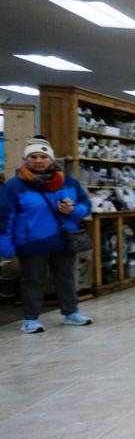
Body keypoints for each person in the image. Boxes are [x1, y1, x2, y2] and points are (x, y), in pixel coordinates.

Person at [0, 137, 93, 333]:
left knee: (66, 277)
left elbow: (86, 206)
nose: (39, 160)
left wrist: (73, 210)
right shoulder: (14, 186)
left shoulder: (68, 182)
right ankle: (31, 319)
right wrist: (5, 244)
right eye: (33, 157)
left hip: (63, 239)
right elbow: (5, 217)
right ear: (26, 159)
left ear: (51, 159)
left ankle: (71, 313)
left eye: (43, 156)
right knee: (32, 281)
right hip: (31, 242)